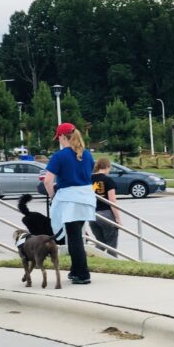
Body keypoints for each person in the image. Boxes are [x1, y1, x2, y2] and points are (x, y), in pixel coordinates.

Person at [44, 122, 96, 285]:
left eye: (58, 137)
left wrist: (53, 195)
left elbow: (47, 181)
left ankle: (82, 273)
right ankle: (75, 270)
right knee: (76, 234)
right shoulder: (87, 154)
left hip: (69, 199)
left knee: (74, 237)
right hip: (86, 198)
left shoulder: (59, 156)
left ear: (61, 137)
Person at [90, 157, 121, 255]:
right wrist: (117, 218)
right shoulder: (108, 180)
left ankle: (96, 260)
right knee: (111, 244)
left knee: (100, 243)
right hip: (105, 214)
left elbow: (90, 194)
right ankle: (113, 263)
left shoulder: (90, 179)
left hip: (92, 215)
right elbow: (112, 200)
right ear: (107, 167)